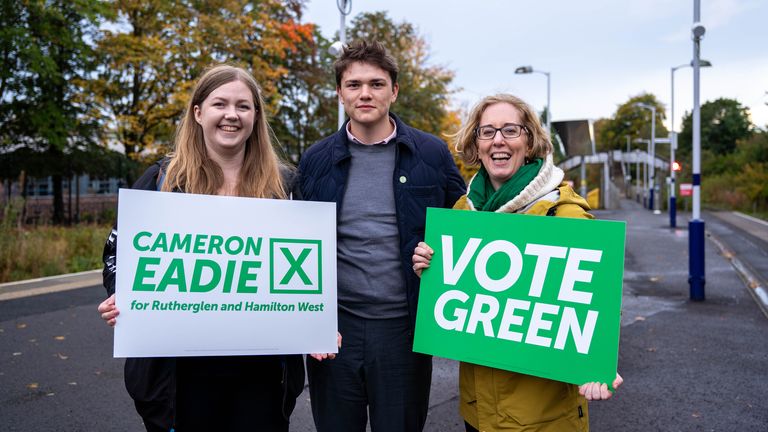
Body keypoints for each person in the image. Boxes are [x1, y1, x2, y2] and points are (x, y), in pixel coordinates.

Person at [96, 64, 304, 432]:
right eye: (219, 104)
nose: (231, 115)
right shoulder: (163, 180)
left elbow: (306, 265)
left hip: (262, 371)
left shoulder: (283, 185)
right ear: (198, 112)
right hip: (181, 373)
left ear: (256, 115)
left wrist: (315, 320)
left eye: (243, 106)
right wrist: (121, 295)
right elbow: (116, 254)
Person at [411, 94, 623, 432]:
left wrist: (600, 361)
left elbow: (594, 306)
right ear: (475, 143)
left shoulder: (564, 214)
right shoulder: (462, 214)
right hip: (478, 413)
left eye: (511, 130)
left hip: (543, 420)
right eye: (487, 131)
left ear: (530, 140)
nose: (498, 140)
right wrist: (431, 270)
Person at [298, 40, 466, 432]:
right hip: (335, 330)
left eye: (376, 83)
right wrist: (307, 321)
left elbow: (466, 227)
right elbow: (298, 246)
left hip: (404, 331)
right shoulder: (315, 159)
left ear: (394, 90)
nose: (365, 93)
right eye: (353, 84)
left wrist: (439, 254)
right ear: (339, 92)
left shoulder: (431, 153)